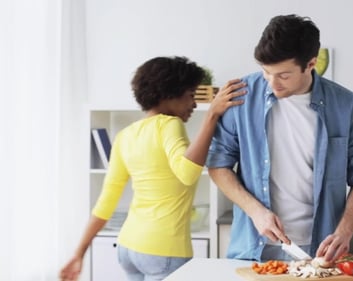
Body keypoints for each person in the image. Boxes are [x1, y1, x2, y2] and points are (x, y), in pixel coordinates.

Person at [206, 14, 353, 264]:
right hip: (254, 247)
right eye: (266, 72)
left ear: (311, 64)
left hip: (320, 249)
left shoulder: (346, 104)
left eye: (283, 75)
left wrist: (345, 230)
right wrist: (256, 212)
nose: (272, 83)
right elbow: (218, 164)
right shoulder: (240, 96)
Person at [59, 56, 246, 281]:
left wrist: (78, 253)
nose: (194, 104)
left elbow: (105, 203)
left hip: (128, 247)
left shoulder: (125, 135)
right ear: (169, 94)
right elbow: (187, 173)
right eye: (190, 96)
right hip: (163, 250)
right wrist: (212, 115)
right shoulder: (169, 124)